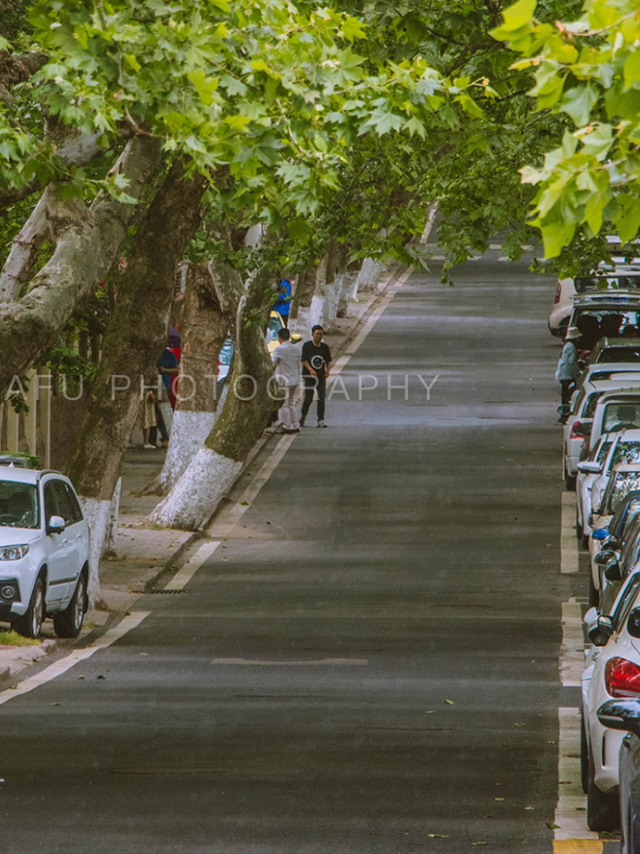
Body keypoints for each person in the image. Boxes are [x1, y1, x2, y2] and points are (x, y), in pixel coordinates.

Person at [300, 324, 332, 428]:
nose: (319, 336)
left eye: (321, 334)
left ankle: (321, 420)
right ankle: (303, 417)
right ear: (312, 334)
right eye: (317, 334)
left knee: (321, 398)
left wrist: (328, 370)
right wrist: (310, 370)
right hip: (309, 376)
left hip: (321, 376)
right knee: (308, 398)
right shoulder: (307, 346)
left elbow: (328, 360)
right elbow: (304, 360)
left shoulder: (324, 347)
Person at [271, 328, 301, 433]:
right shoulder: (296, 348)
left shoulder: (279, 349)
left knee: (284, 404)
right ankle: (295, 425)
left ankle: (287, 426)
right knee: (291, 402)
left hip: (284, 380)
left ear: (279, 338)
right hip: (295, 379)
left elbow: (272, 364)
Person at [555, 327, 581, 423]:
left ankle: (564, 413)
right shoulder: (571, 347)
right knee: (567, 395)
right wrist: (577, 372)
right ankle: (564, 414)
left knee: (565, 394)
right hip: (567, 374)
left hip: (564, 373)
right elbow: (571, 362)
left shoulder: (568, 345)